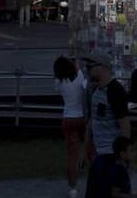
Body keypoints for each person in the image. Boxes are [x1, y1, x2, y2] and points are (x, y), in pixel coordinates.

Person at [86, 59, 132, 196]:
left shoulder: (115, 90)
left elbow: (124, 124)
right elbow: (92, 121)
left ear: (103, 67)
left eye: (90, 66)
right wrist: (85, 149)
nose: (87, 69)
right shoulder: (95, 90)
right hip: (98, 155)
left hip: (111, 155)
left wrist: (124, 156)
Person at [55, 56, 90, 198]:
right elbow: (84, 86)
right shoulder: (80, 75)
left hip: (68, 118)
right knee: (89, 148)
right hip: (82, 117)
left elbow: (58, 90)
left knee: (71, 155)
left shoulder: (58, 82)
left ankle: (72, 188)